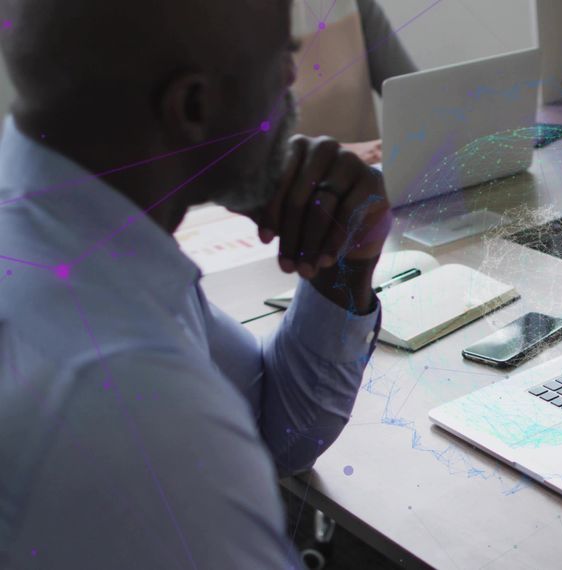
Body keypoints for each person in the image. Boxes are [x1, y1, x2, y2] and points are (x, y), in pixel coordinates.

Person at [0, 0, 391, 567]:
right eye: (283, 59)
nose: (293, 82)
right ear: (193, 106)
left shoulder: (75, 232)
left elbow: (273, 434)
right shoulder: (136, 406)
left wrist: (344, 265)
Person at [293, 0, 417, 165]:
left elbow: (415, 98)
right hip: (282, 187)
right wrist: (339, 153)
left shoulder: (353, 5)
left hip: (370, 180)